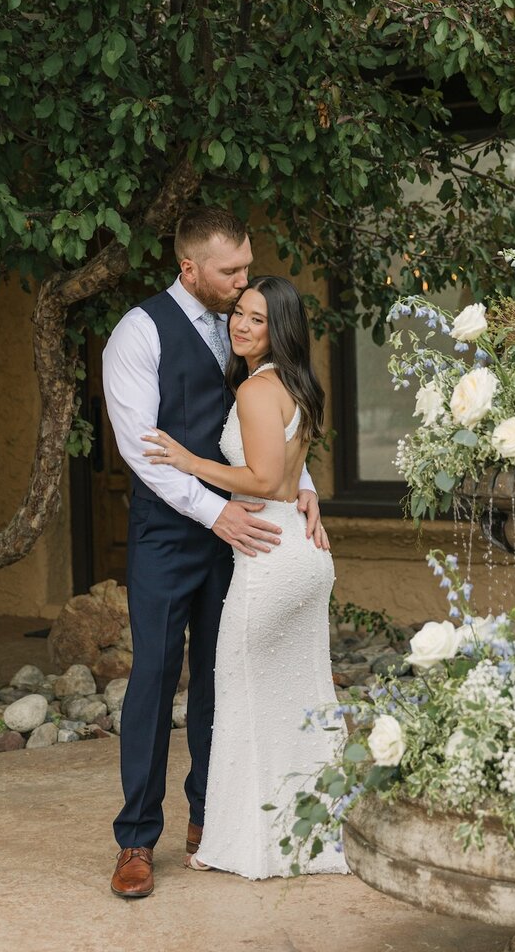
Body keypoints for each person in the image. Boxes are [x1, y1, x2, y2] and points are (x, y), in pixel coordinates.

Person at [102, 208, 328, 899]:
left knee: (219, 678)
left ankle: (211, 817)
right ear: (189, 269)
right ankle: (137, 838)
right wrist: (216, 511)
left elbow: (269, 419)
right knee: (155, 675)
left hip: (249, 531)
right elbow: (145, 454)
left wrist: (303, 486)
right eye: (230, 272)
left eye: (246, 268)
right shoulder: (138, 335)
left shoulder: (244, 333)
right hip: (172, 534)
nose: (241, 285)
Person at [141, 275, 348, 878]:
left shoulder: (258, 390)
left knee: (240, 696)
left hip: (271, 559)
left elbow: (261, 480)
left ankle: (247, 845)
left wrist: (188, 460)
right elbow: (288, 479)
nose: (241, 325)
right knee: (301, 699)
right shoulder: (297, 384)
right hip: (299, 550)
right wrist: (303, 497)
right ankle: (310, 836)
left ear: (278, 329)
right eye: (238, 313)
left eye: (257, 318)